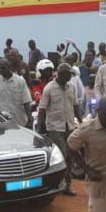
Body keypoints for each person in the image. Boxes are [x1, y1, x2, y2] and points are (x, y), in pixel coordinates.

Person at [37, 63, 81, 196]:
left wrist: (81, 120)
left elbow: (76, 105)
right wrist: (40, 129)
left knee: (70, 157)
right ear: (61, 74)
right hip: (55, 128)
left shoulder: (71, 88)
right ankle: (59, 184)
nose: (70, 77)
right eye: (68, 74)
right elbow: (42, 109)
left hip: (70, 126)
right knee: (62, 155)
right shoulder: (49, 88)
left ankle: (67, 185)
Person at [0, 59, 32, 128]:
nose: (1, 70)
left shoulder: (20, 82)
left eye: (3, 68)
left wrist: (30, 119)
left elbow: (26, 102)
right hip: (2, 124)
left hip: (19, 123)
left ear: (9, 67)